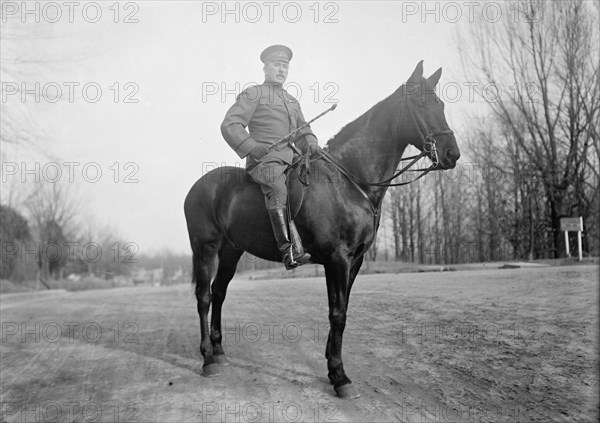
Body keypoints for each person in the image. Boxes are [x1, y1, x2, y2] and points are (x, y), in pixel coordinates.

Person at [221, 45, 319, 270]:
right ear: (265, 68)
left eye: (285, 66)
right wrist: (252, 147)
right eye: (277, 65)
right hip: (265, 161)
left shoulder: (292, 101)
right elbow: (230, 125)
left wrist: (311, 143)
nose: (281, 70)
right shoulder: (254, 93)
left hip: (292, 160)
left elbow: (302, 132)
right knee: (277, 189)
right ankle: (289, 251)